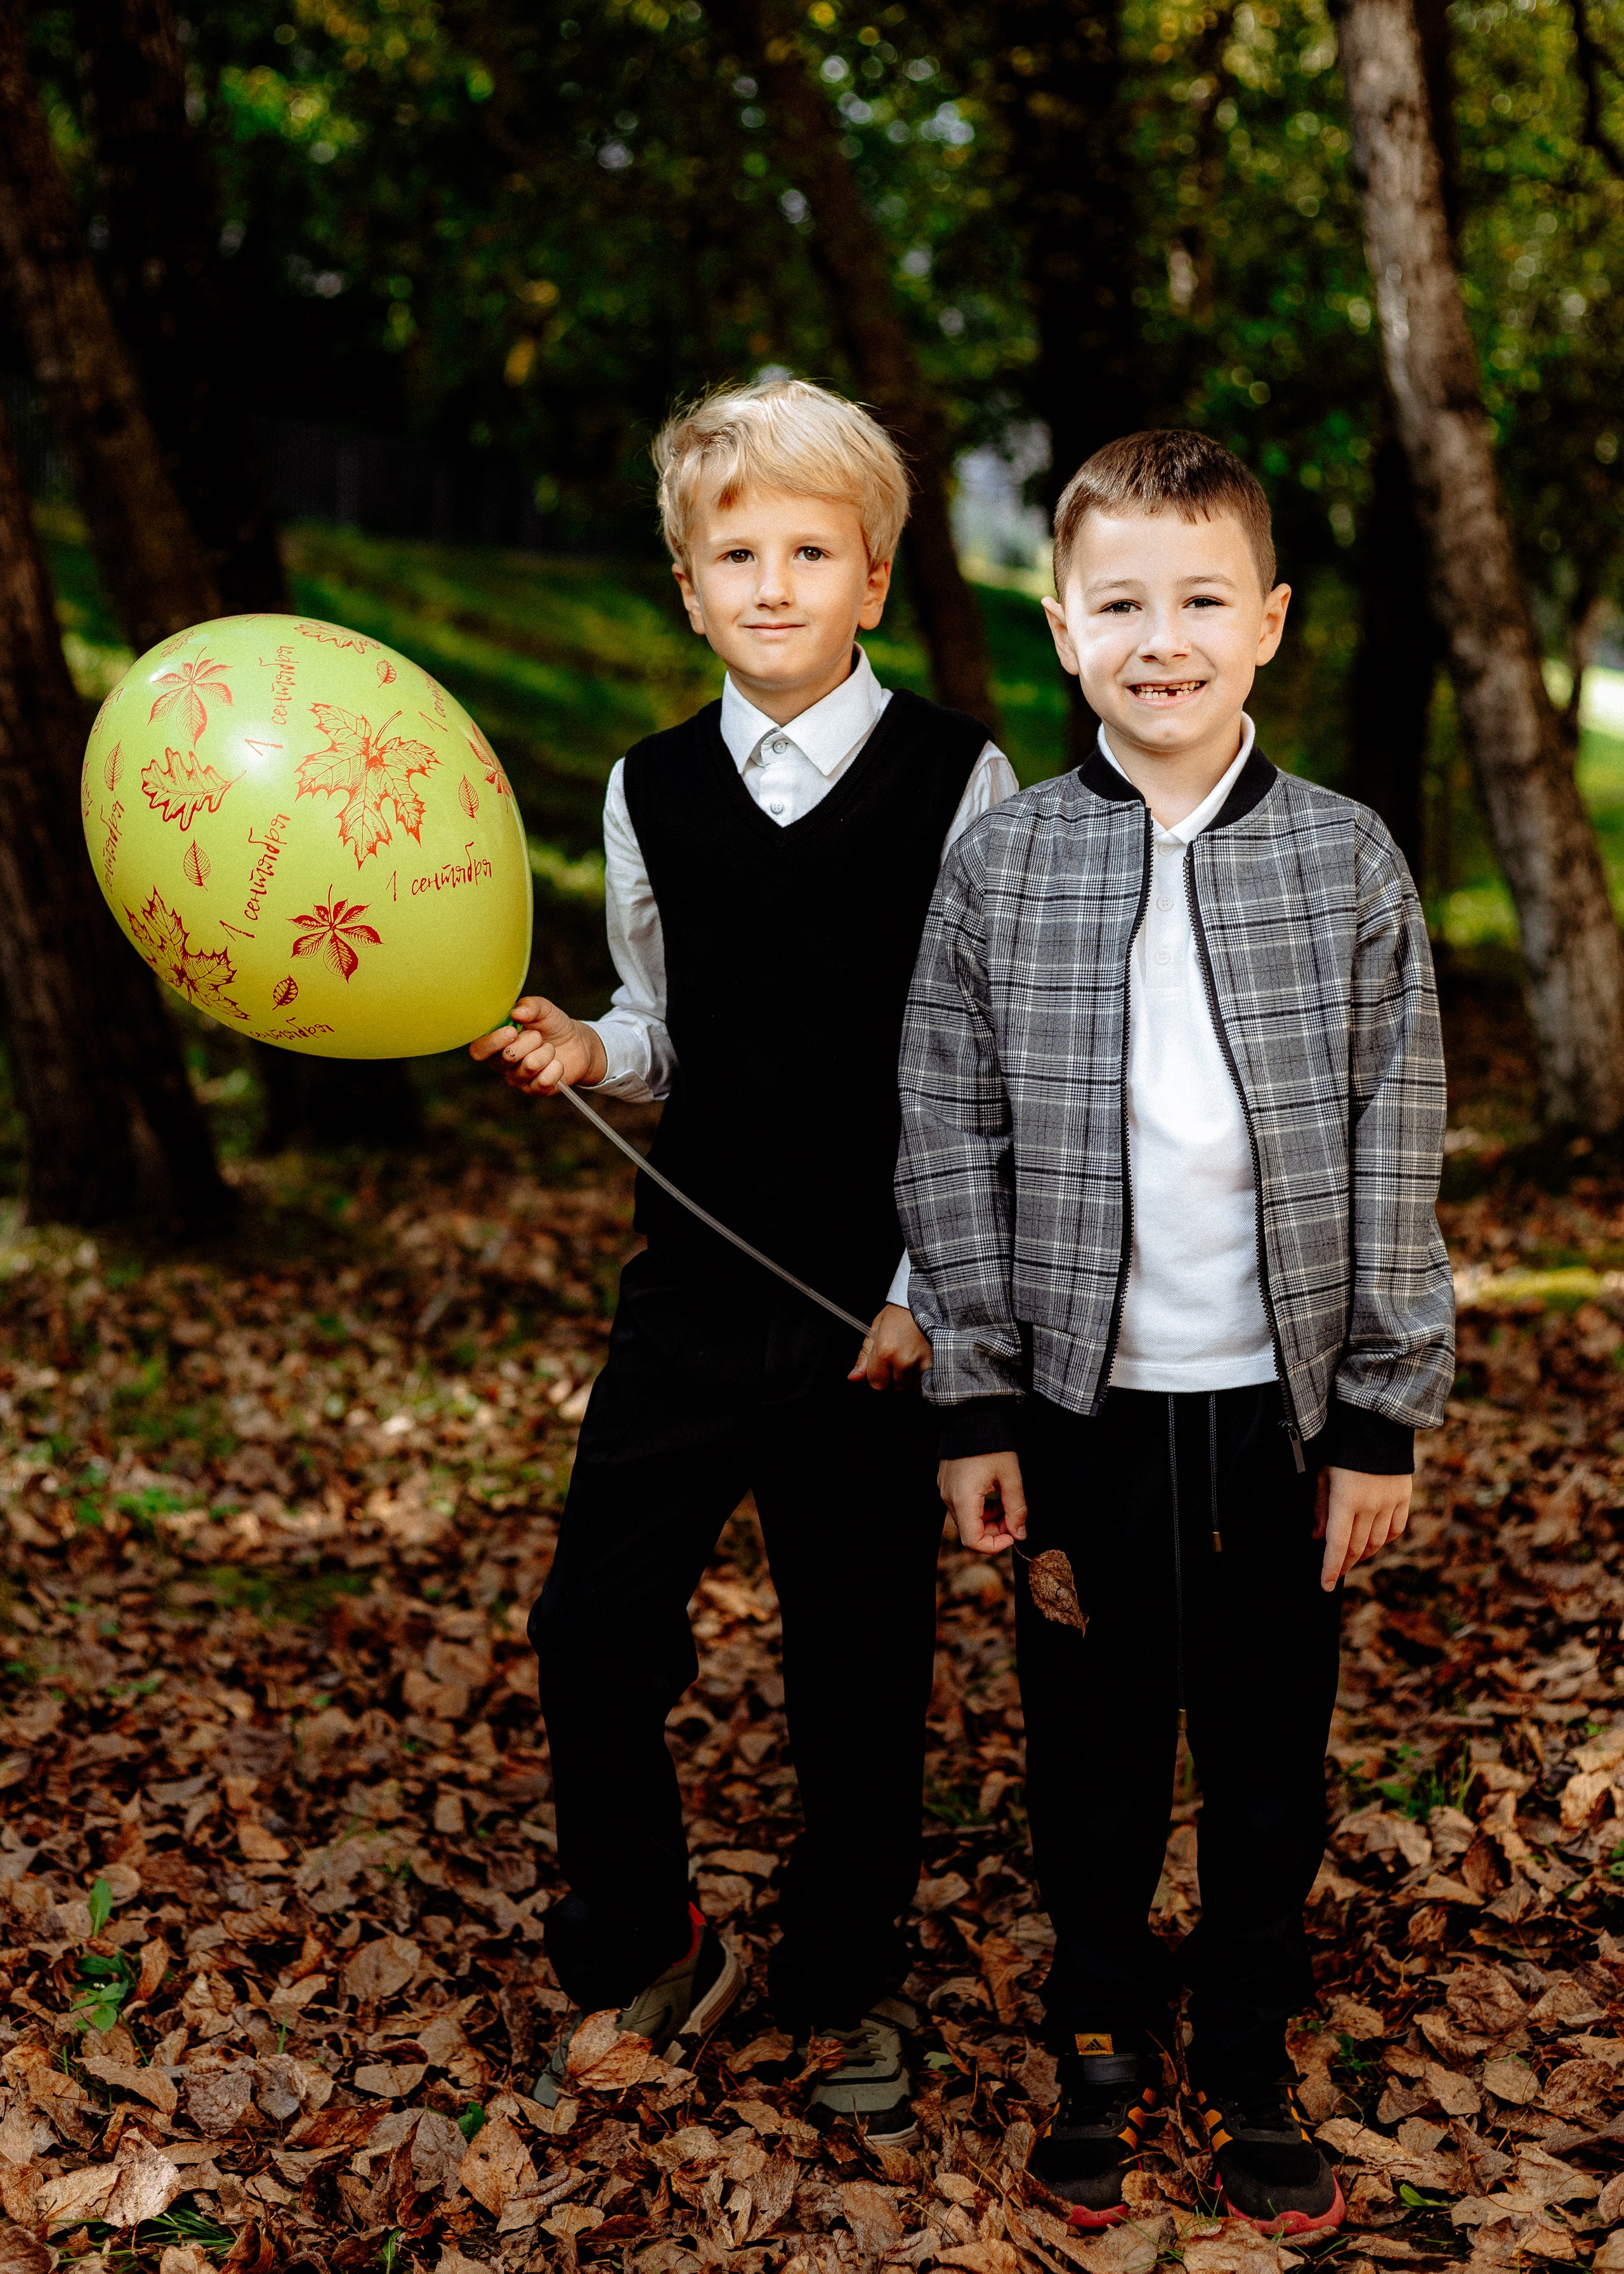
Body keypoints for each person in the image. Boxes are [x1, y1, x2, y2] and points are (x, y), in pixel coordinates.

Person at [896, 429, 1453, 2232]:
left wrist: (1380, 1416)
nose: (1163, 640)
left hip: (1280, 1412)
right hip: (1083, 1413)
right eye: (1121, 605)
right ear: (1063, 629)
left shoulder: (1345, 860)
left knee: (1270, 1756)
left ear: (1268, 621)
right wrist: (975, 1400)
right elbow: (949, 1132)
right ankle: (1098, 2040)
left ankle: (1251, 2050)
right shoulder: (1006, 863)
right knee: (1094, 1751)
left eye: (1201, 600)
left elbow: (1397, 1137)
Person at [471, 378, 1017, 2144]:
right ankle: (652, 1940)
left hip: (871, 1306)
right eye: (736, 557)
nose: (772, 585)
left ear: (874, 579)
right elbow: (665, 1023)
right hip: (694, 1291)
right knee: (593, 1625)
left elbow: (982, 1063)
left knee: (857, 1659)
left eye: (810, 553)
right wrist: (591, 1048)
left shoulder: (957, 775)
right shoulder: (649, 786)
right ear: (690, 589)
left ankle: (848, 1973)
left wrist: (929, 1291)